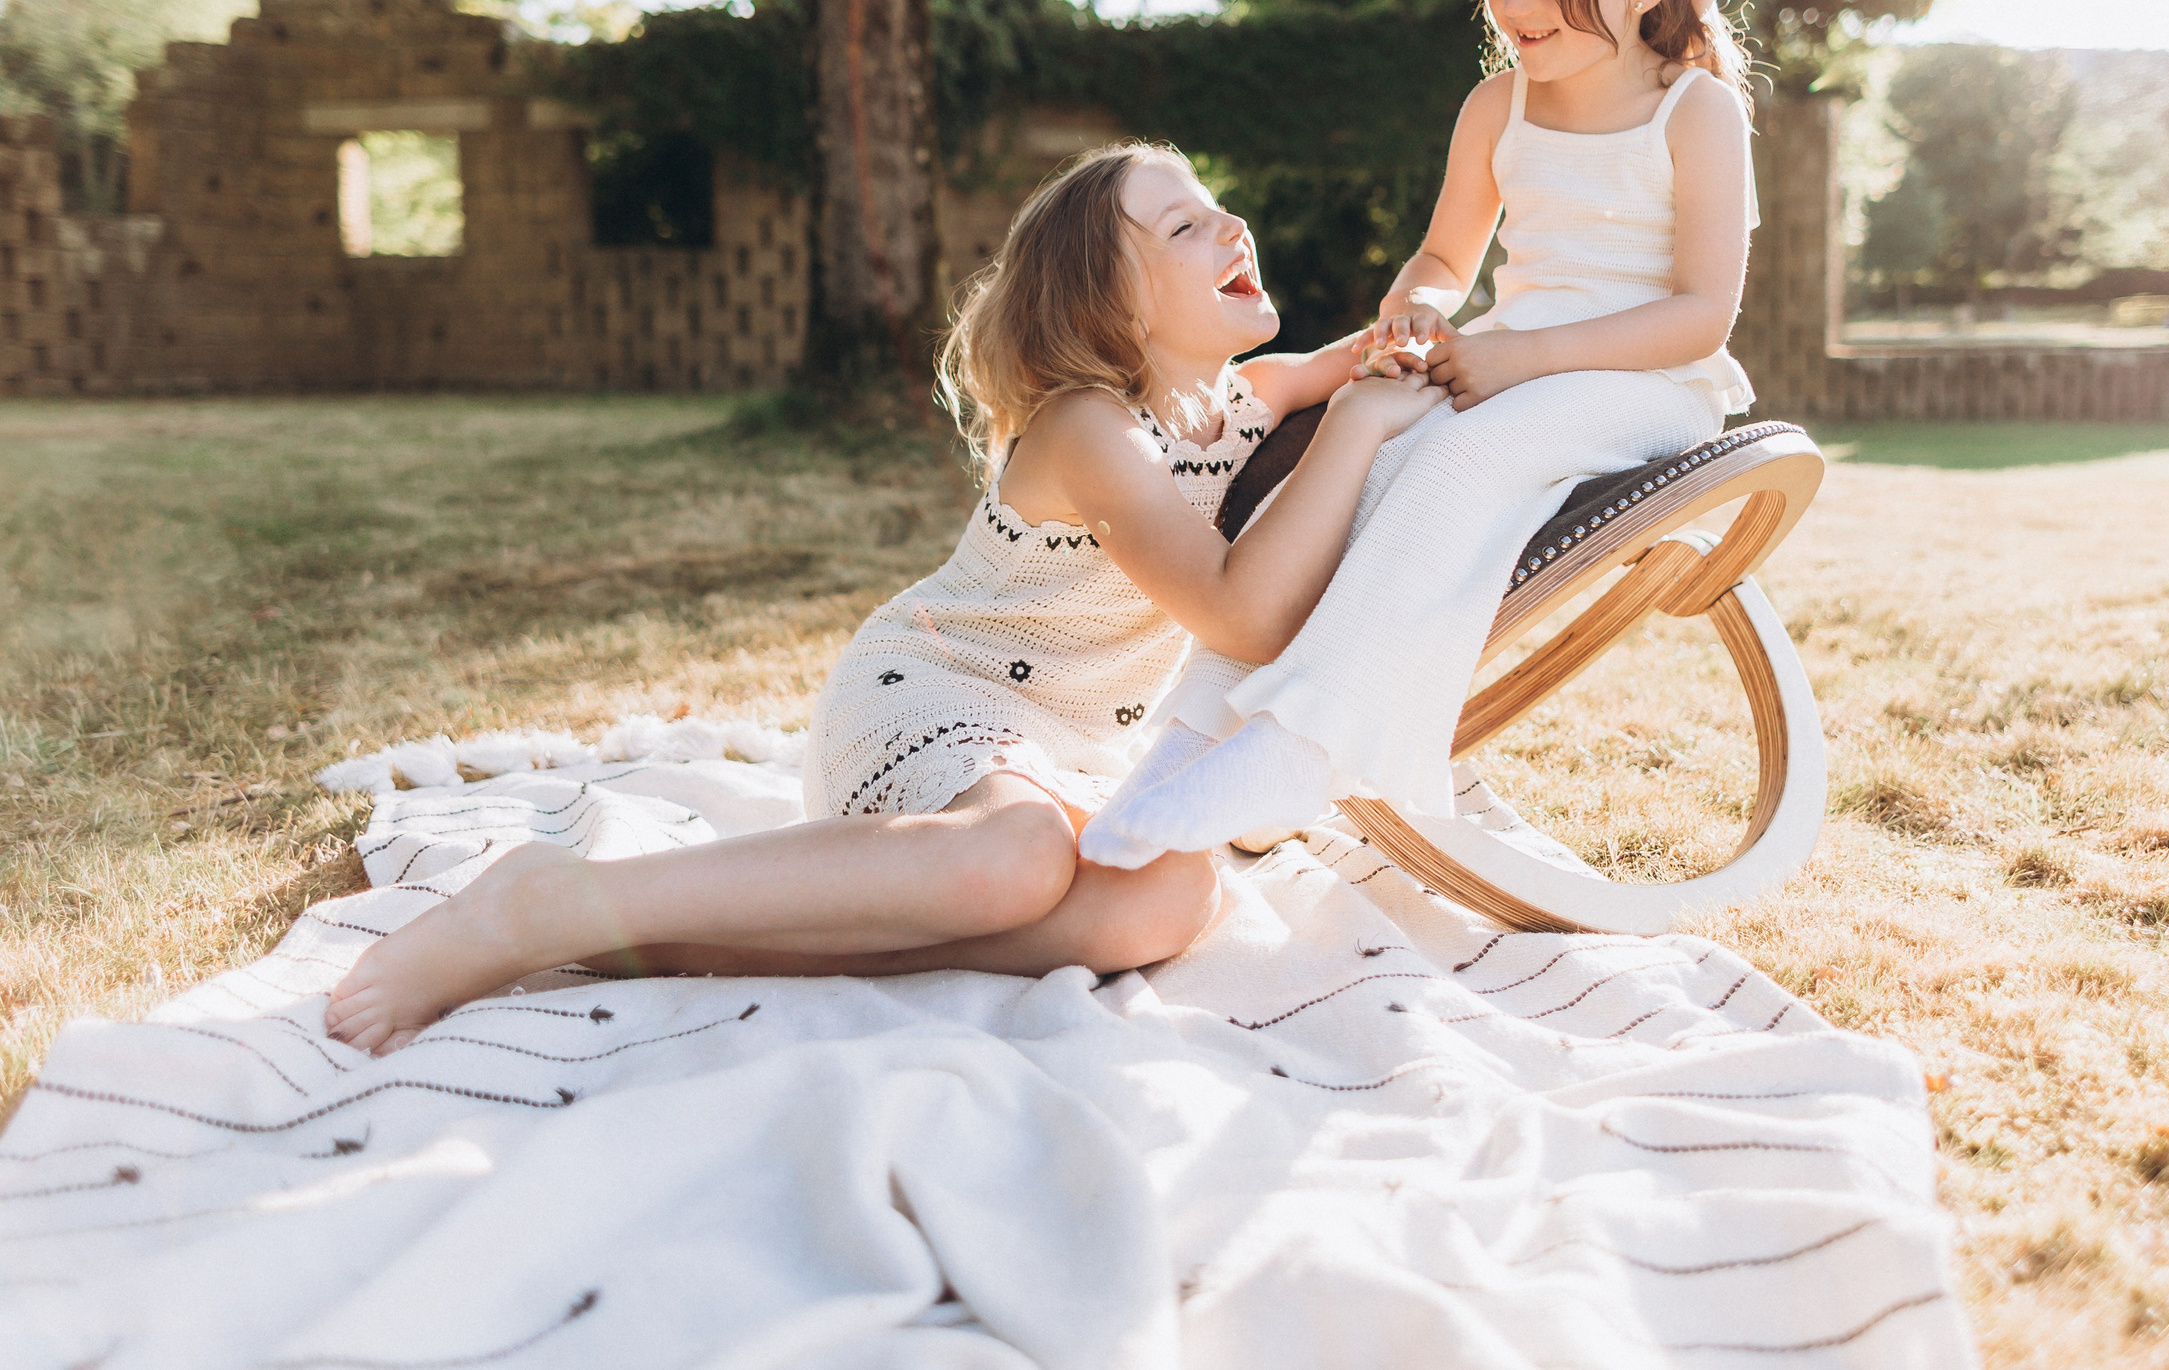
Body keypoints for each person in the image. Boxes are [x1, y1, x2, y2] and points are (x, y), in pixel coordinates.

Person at [326, 144, 1442, 1056]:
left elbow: (1392, 354)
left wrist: (1451, 342)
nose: (1230, 228)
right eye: (1185, 227)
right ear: (1109, 302)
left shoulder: (1241, 394)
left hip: (1060, 754)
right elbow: (1239, 613)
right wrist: (1355, 423)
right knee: (1015, 860)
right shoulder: (1090, 426)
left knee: (1170, 900)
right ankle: (556, 901)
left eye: (1217, 206)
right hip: (930, 696)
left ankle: (652, 941)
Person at [1080, 0, 1766, 866]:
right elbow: (1447, 260)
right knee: (1366, 469)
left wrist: (1513, 359)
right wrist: (1421, 310)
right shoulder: (1497, 109)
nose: (1516, 4)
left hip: (1644, 378)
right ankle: (1181, 747)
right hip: (1506, 359)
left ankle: (1307, 741)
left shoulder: (1695, 113)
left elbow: (1700, 312)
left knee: (1461, 456)